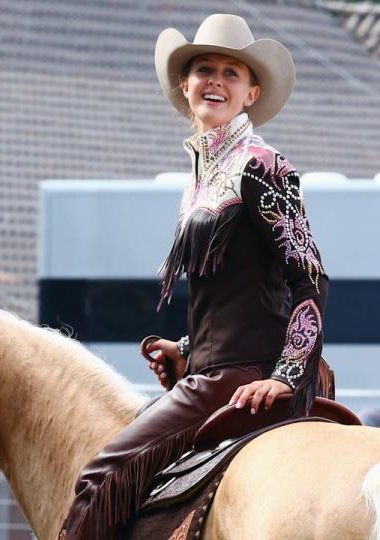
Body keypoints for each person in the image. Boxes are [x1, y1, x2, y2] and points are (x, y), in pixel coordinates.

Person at [59, 14, 330, 539]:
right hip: (216, 366)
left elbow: (309, 279)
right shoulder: (202, 175)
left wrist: (286, 375)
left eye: (232, 73)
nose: (216, 81)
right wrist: (187, 348)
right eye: (204, 69)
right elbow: (241, 292)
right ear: (185, 87)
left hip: (244, 376)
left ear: (251, 93)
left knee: (99, 476)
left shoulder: (262, 166)